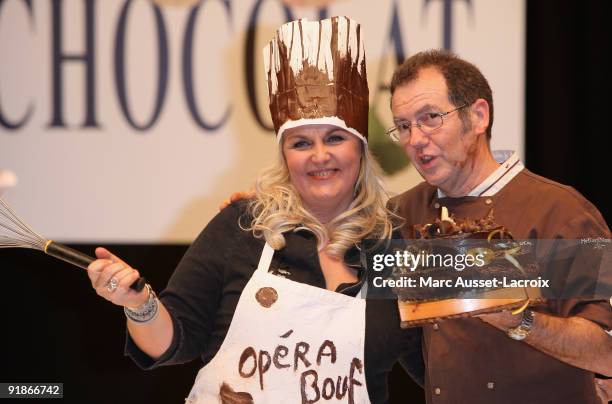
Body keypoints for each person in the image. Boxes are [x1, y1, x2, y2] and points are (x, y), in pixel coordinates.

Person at [86, 16, 422, 404]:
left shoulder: (395, 246)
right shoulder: (243, 225)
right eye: (300, 143)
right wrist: (139, 304)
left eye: (334, 139)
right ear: (284, 155)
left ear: (361, 149)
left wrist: (509, 312)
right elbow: (172, 342)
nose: (319, 156)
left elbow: (438, 364)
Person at [387, 49, 612, 404]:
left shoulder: (561, 211)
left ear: (478, 116)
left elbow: (605, 350)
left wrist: (517, 320)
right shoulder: (405, 213)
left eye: (430, 117)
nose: (415, 139)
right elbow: (411, 345)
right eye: (403, 126)